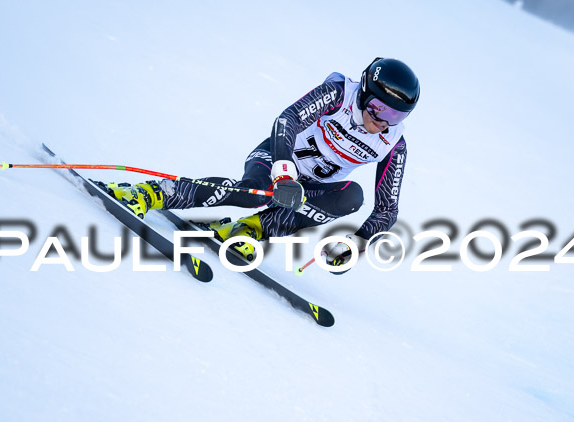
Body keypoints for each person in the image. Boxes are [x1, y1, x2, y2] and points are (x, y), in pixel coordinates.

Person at [98, 57, 419, 268]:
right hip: (278, 159)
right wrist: (283, 172)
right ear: (363, 93)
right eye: (380, 108)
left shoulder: (393, 143)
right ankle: (152, 192)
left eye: (397, 115)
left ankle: (248, 230)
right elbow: (288, 120)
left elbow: (387, 209)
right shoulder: (338, 94)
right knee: (252, 190)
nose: (385, 121)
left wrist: (357, 243)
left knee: (351, 198)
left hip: (312, 187)